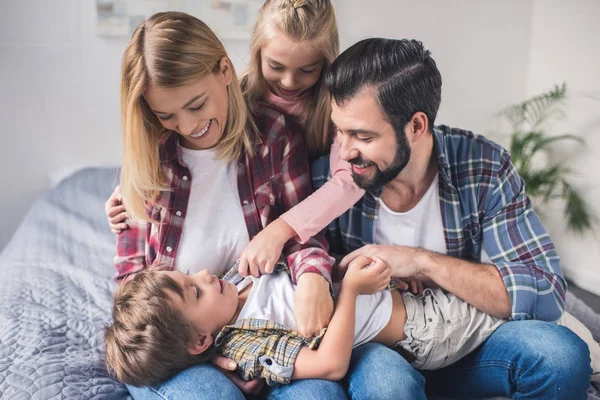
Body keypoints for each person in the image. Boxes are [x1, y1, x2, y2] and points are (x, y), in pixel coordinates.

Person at [112, 10, 414, 400]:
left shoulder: (275, 135)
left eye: (197, 105)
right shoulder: (148, 158)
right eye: (165, 114)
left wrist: (312, 277)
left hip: (271, 333)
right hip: (181, 348)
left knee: (319, 396)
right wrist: (201, 354)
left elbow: (307, 226)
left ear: (225, 70)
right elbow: (130, 293)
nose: (187, 126)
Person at [309, 37, 592, 399]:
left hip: (469, 343)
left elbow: (545, 291)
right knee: (387, 384)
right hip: (377, 346)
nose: (345, 150)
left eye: (362, 136)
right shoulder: (330, 174)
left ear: (416, 125)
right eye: (339, 130)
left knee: (560, 355)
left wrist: (420, 261)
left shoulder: (483, 166)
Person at [105, 255, 505, 389]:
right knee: (508, 304)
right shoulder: (246, 346)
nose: (206, 275)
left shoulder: (238, 279)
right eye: (195, 292)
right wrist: (350, 290)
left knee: (493, 284)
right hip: (424, 329)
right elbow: (330, 365)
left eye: (189, 276)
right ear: (199, 341)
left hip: (408, 294)